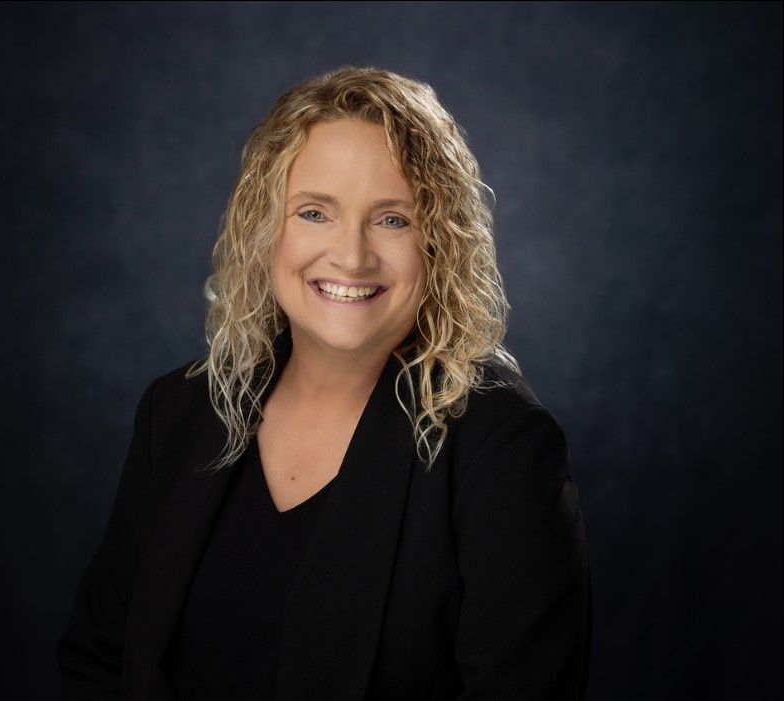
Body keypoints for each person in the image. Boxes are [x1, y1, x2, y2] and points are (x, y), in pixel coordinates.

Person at [57, 66, 591, 700]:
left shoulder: (503, 450)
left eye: (392, 219)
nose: (352, 256)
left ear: (441, 244)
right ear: (263, 229)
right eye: (314, 213)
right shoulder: (179, 412)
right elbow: (101, 660)